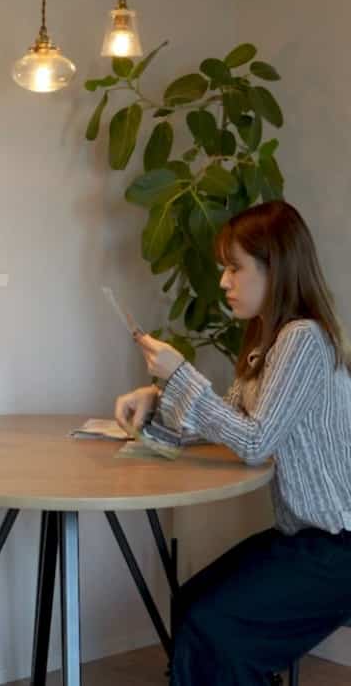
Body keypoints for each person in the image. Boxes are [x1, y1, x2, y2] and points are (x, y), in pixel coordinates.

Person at [114, 200, 351, 686]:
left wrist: (181, 374)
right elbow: (226, 421)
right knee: (192, 602)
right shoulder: (270, 340)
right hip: (306, 540)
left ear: (275, 268)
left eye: (234, 268)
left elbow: (255, 441)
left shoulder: (303, 338)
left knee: (213, 626)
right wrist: (157, 399)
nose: (223, 282)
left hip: (337, 546)